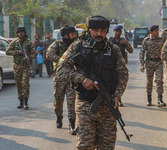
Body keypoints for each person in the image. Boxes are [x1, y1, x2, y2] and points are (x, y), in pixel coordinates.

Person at [56, 15, 128, 149]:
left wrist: (118, 95)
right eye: (95, 30)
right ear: (89, 30)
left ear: (107, 31)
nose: (99, 33)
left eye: (102, 30)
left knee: (107, 146)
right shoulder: (77, 47)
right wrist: (82, 79)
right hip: (85, 105)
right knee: (85, 146)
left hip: (108, 106)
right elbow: (60, 69)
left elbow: (123, 74)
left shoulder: (113, 50)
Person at [46, 25, 77, 135]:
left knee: (71, 102)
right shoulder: (57, 44)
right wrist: (62, 61)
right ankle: (59, 117)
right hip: (59, 77)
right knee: (58, 101)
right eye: (72, 34)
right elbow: (49, 54)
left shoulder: (76, 45)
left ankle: (72, 124)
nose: (74, 36)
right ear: (66, 35)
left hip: (72, 78)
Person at [6, 27, 36, 109]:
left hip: (26, 66)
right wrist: (17, 52)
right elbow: (7, 51)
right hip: (17, 66)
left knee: (25, 83)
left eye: (22, 32)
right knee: (18, 84)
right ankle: (21, 102)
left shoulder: (29, 43)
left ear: (25, 33)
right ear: (17, 33)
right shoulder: (14, 43)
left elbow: (34, 54)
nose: (20, 34)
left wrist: (28, 57)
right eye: (19, 32)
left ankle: (26, 102)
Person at [140, 25, 166, 107]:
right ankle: (149, 99)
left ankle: (160, 99)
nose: (157, 32)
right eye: (156, 31)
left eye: (158, 30)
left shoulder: (161, 40)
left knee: (159, 81)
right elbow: (142, 52)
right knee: (149, 82)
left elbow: (165, 51)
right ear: (151, 32)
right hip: (149, 63)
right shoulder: (146, 40)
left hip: (159, 62)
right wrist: (142, 64)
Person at [109, 25, 133, 106]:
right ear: (114, 31)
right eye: (117, 31)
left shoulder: (123, 41)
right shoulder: (110, 41)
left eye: (120, 31)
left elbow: (131, 51)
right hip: (111, 65)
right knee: (113, 82)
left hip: (120, 65)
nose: (118, 33)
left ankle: (118, 98)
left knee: (120, 82)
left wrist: (127, 44)